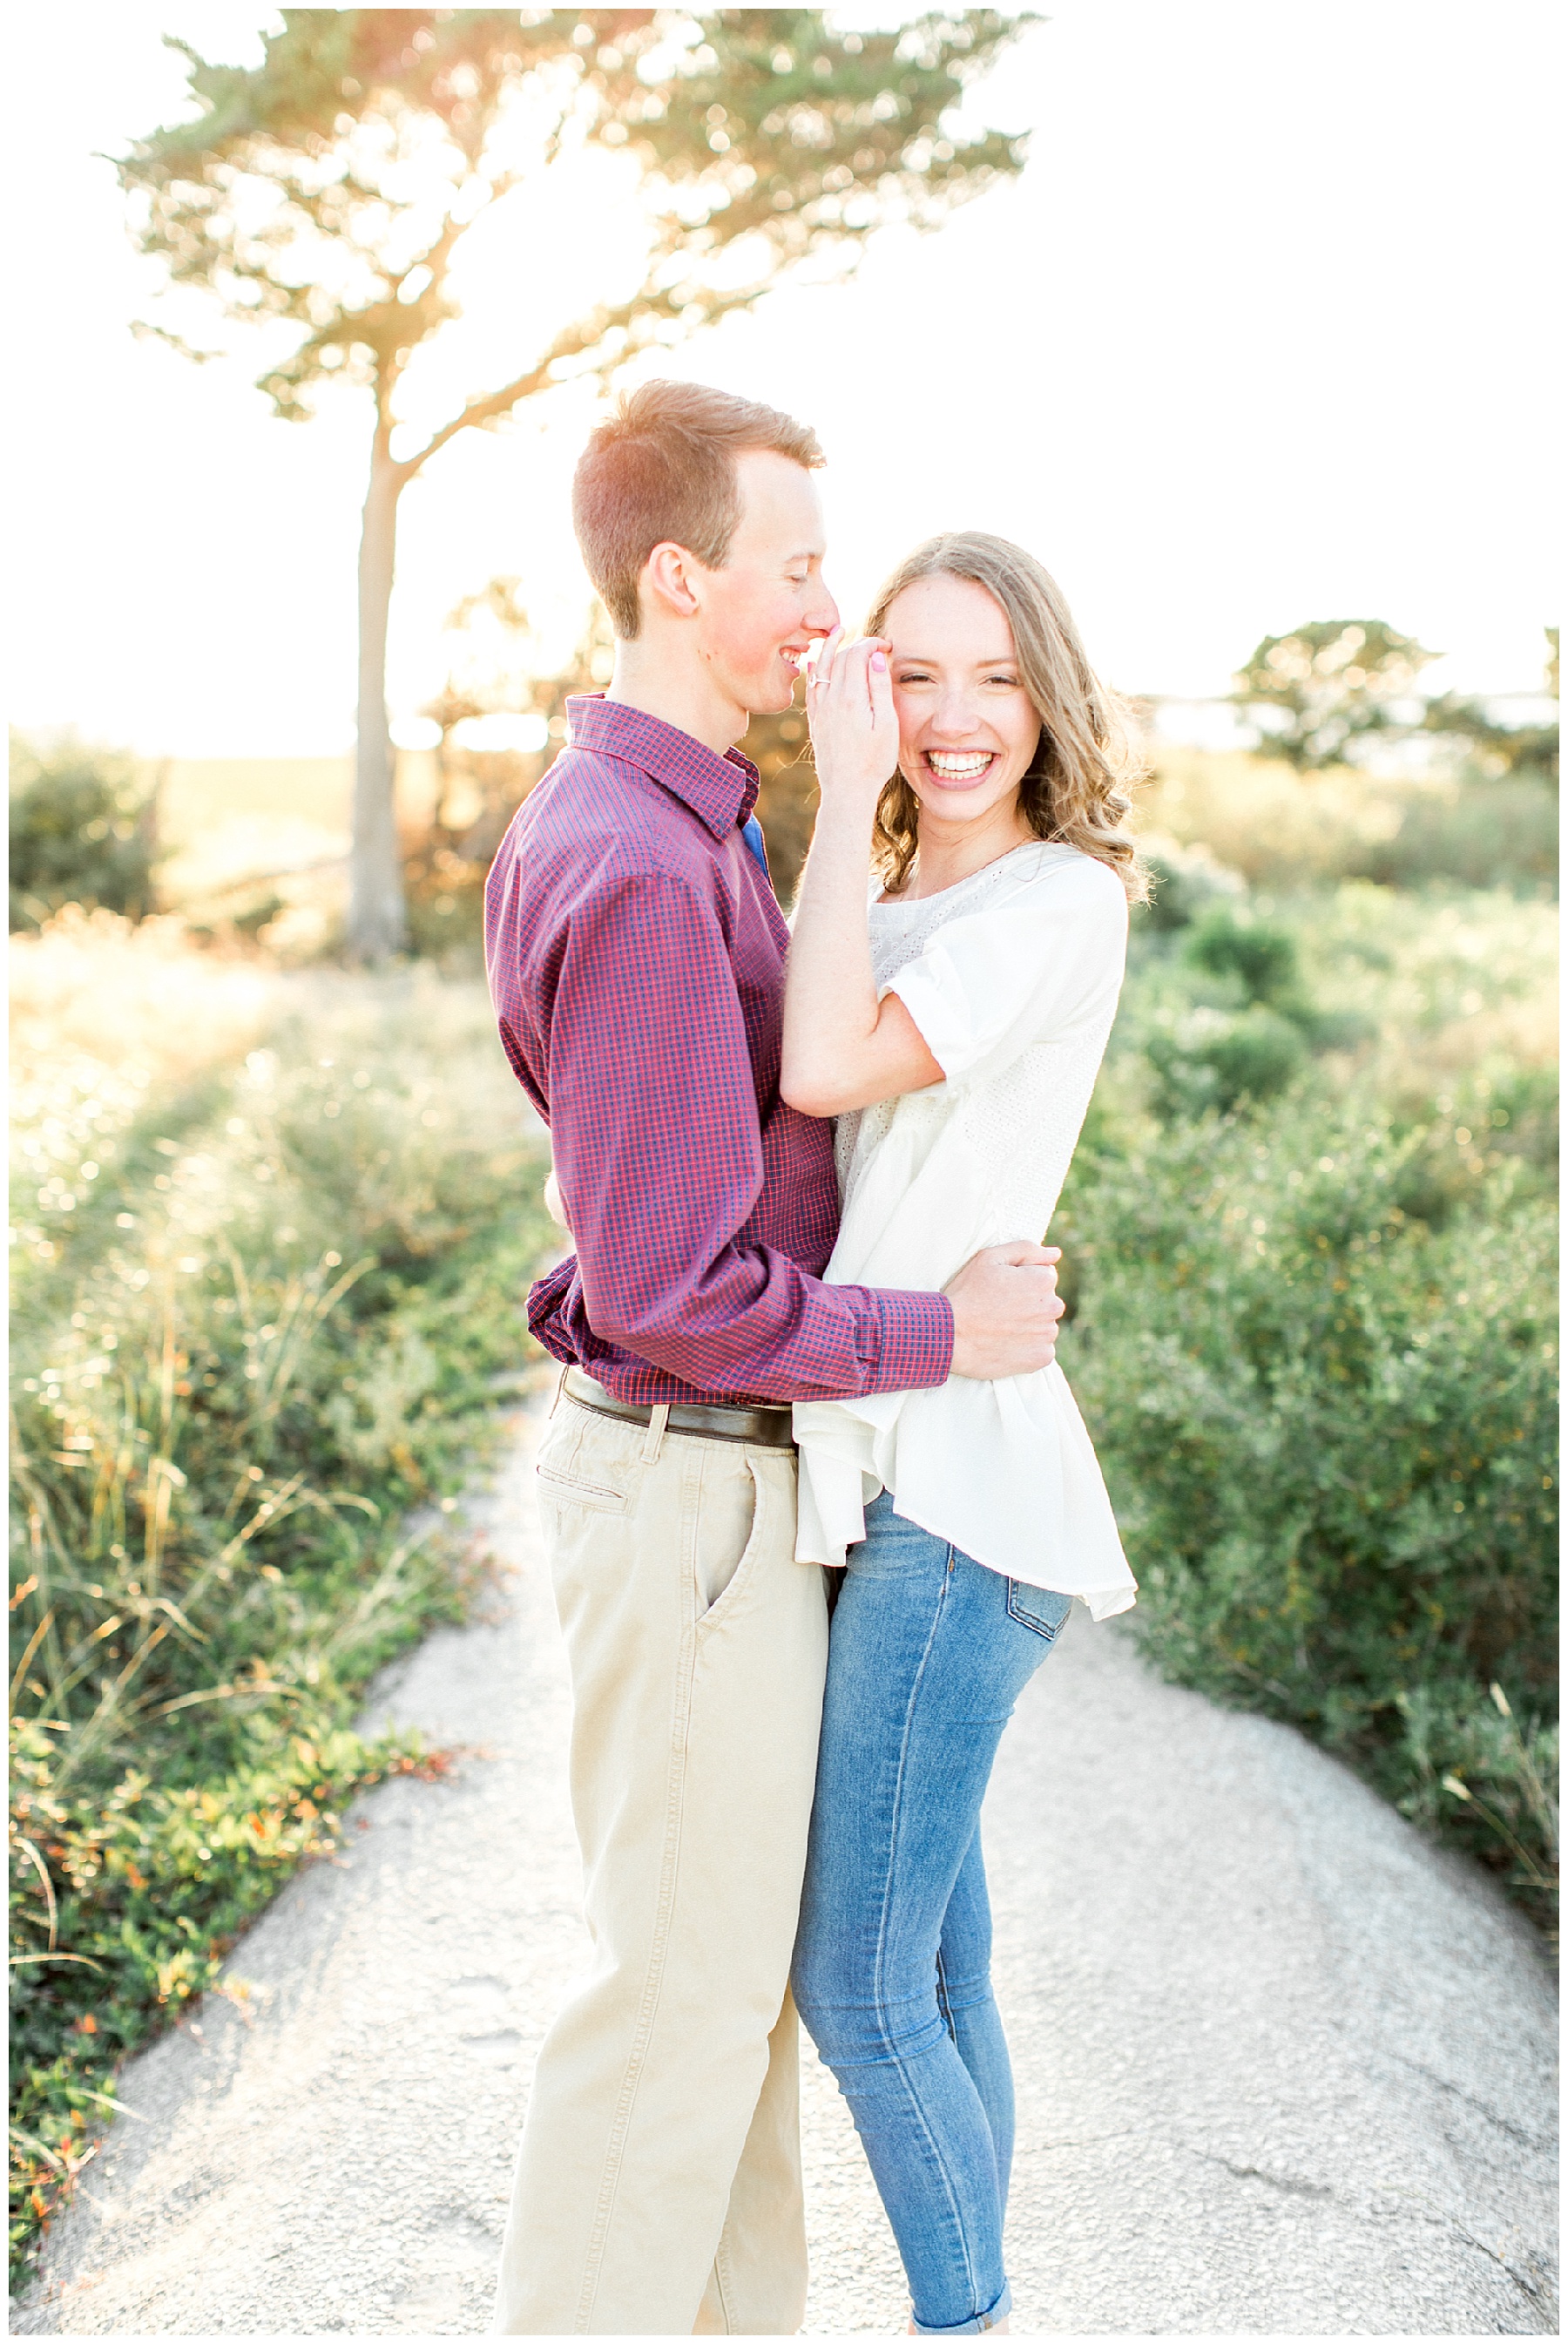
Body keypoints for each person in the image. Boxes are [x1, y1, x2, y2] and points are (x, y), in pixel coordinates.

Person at [483, 389, 1068, 2336]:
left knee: (725, 2020)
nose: (836, 604)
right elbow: (670, 1286)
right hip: (691, 1472)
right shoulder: (648, 866)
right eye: (805, 562)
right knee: (673, 2015)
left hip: (728, 1480)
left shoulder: (674, 821)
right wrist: (942, 1332)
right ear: (682, 577)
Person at [783, 533, 1145, 2337]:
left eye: (995, 676)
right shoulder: (873, 897)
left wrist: (839, 800)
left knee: (856, 1985)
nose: (953, 717)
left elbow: (825, 1066)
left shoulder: (1052, 903)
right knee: (936, 1957)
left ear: (1048, 697)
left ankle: (970, 2316)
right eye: (912, 675)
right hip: (902, 1477)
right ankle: (982, 2295)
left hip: (960, 1497)